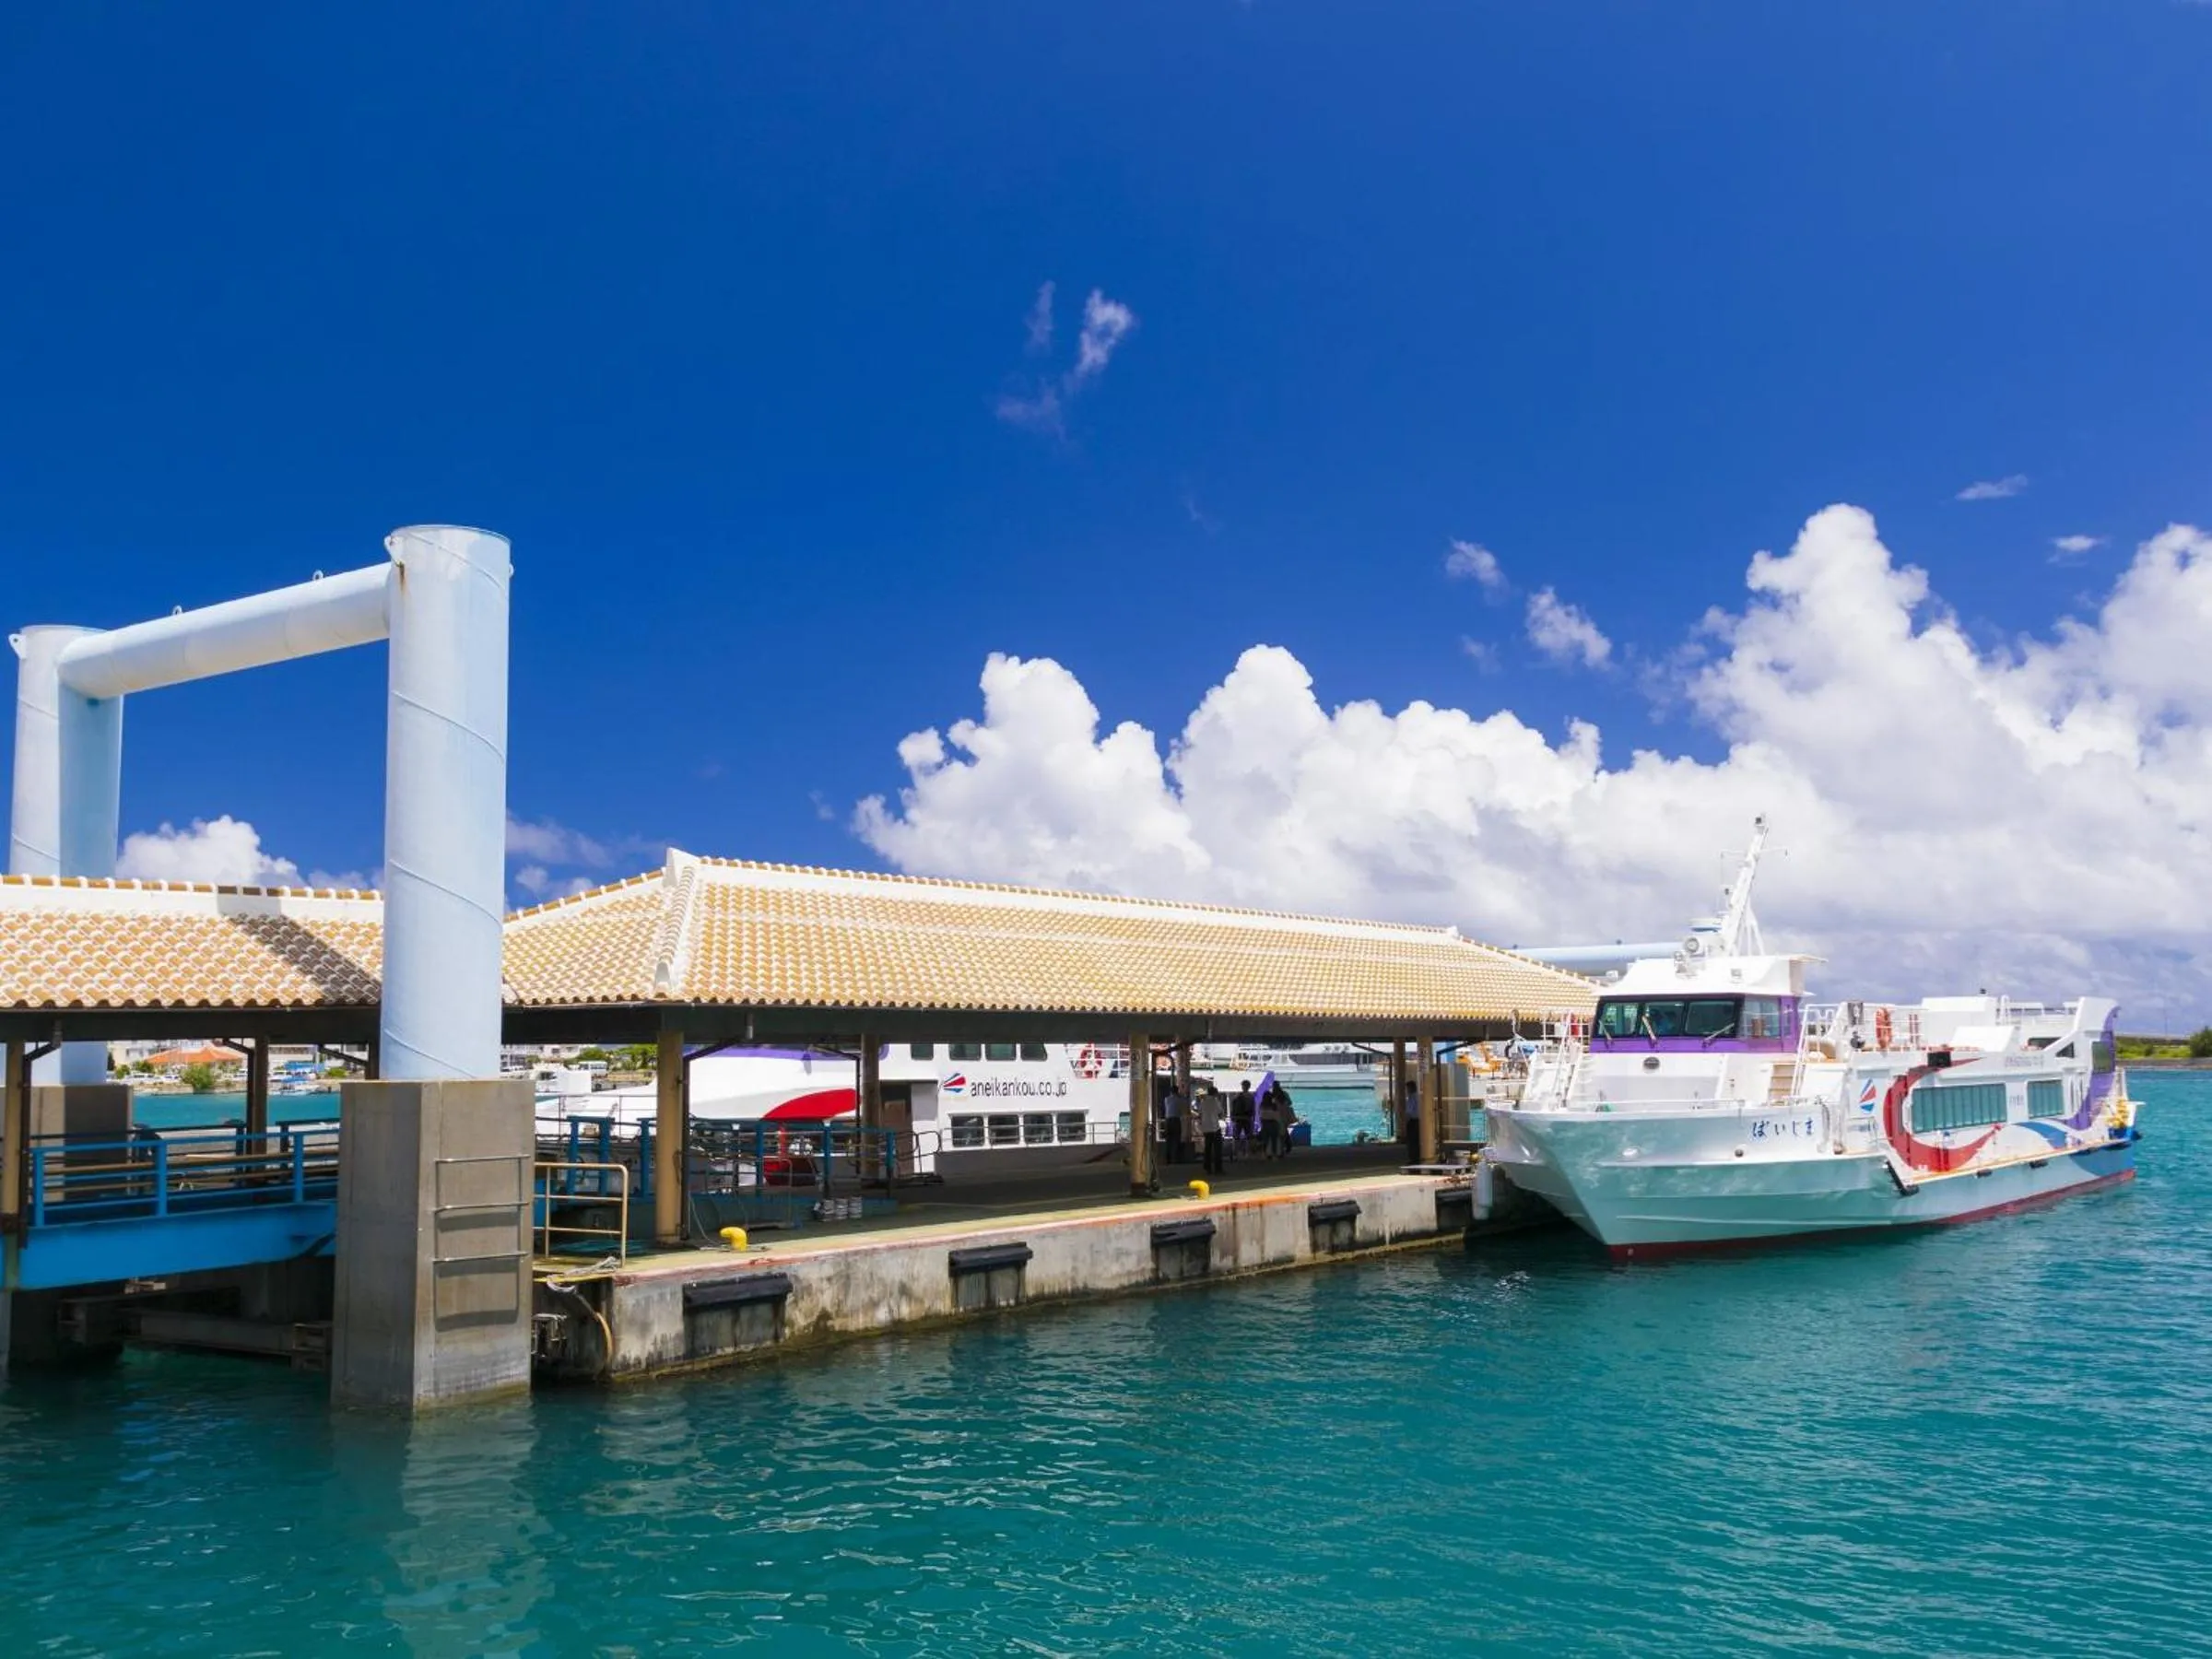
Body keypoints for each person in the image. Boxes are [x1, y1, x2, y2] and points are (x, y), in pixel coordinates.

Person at [1194, 1084, 1228, 1176]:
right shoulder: (1215, 1101)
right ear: (1215, 1093)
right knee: (1217, 1149)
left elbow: (1199, 1114)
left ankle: (1207, 1168)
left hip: (1206, 1128)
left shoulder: (1202, 1102)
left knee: (1207, 1148)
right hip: (1215, 1127)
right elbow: (1220, 1113)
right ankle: (1218, 1168)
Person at [1162, 1079, 1188, 1166]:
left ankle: (1167, 1159)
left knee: (1168, 1140)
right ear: (1177, 1091)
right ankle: (1176, 1159)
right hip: (1176, 1121)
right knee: (1176, 1140)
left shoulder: (1167, 1099)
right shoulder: (1179, 1100)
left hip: (1168, 1121)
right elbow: (1184, 1105)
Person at [1259, 1082, 1286, 1159]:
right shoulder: (1273, 1105)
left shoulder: (1262, 1105)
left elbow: (1260, 1115)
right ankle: (1277, 1154)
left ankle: (1268, 1154)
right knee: (1275, 1139)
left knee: (1266, 1140)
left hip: (1265, 1123)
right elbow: (1277, 1116)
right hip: (1274, 1123)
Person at [1231, 1079, 1257, 1150]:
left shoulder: (1237, 1095)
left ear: (1243, 1086)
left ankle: (1236, 1152)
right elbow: (1253, 1108)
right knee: (1249, 1136)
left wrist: (1233, 1117)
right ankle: (1248, 1152)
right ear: (1249, 1087)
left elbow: (1233, 1106)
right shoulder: (1251, 1097)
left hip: (1238, 1118)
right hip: (1247, 1118)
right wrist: (1253, 1119)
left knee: (1236, 1136)